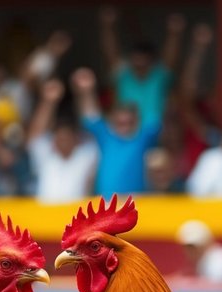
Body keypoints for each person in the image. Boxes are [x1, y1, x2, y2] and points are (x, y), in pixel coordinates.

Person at [71, 68, 161, 197]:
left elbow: (155, 112)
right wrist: (87, 90)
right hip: (105, 202)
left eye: (129, 122)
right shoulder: (106, 136)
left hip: (135, 202)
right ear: (112, 120)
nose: (124, 126)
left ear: (137, 121)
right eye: (120, 122)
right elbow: (90, 116)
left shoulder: (143, 137)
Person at [98, 7, 182, 127]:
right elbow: (110, 54)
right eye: (136, 65)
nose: (139, 68)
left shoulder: (159, 76)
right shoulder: (123, 75)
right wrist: (107, 26)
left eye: (144, 65)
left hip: (156, 134)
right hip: (126, 133)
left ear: (152, 63)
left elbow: (171, 57)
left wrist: (174, 33)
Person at [26, 78, 97, 204]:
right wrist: (48, 101)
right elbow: (35, 134)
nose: (63, 142)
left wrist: (85, 93)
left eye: (66, 139)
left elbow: (93, 124)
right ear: (54, 140)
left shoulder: (85, 156)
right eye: (59, 138)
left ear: (76, 139)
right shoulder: (46, 156)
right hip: (45, 220)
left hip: (74, 219)